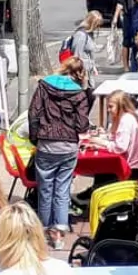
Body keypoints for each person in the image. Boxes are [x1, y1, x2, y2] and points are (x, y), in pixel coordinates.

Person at [27, 56, 93, 249]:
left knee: (45, 188)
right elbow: (82, 125)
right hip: (68, 145)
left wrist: (35, 137)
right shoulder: (79, 94)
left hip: (46, 143)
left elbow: (33, 113)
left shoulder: (44, 86)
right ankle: (59, 233)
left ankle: (44, 228)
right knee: (62, 189)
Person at [105, 90, 138, 179]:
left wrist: (103, 143)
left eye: (111, 107)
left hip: (132, 167)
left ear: (120, 106)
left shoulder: (125, 120)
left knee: (102, 173)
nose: (108, 110)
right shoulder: (128, 117)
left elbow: (121, 147)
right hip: (137, 164)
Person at [66, 11, 103, 86]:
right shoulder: (81, 35)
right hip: (82, 74)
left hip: (88, 71)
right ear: (91, 23)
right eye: (97, 25)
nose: (98, 28)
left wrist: (93, 67)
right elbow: (76, 56)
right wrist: (80, 74)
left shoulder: (89, 33)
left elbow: (90, 54)